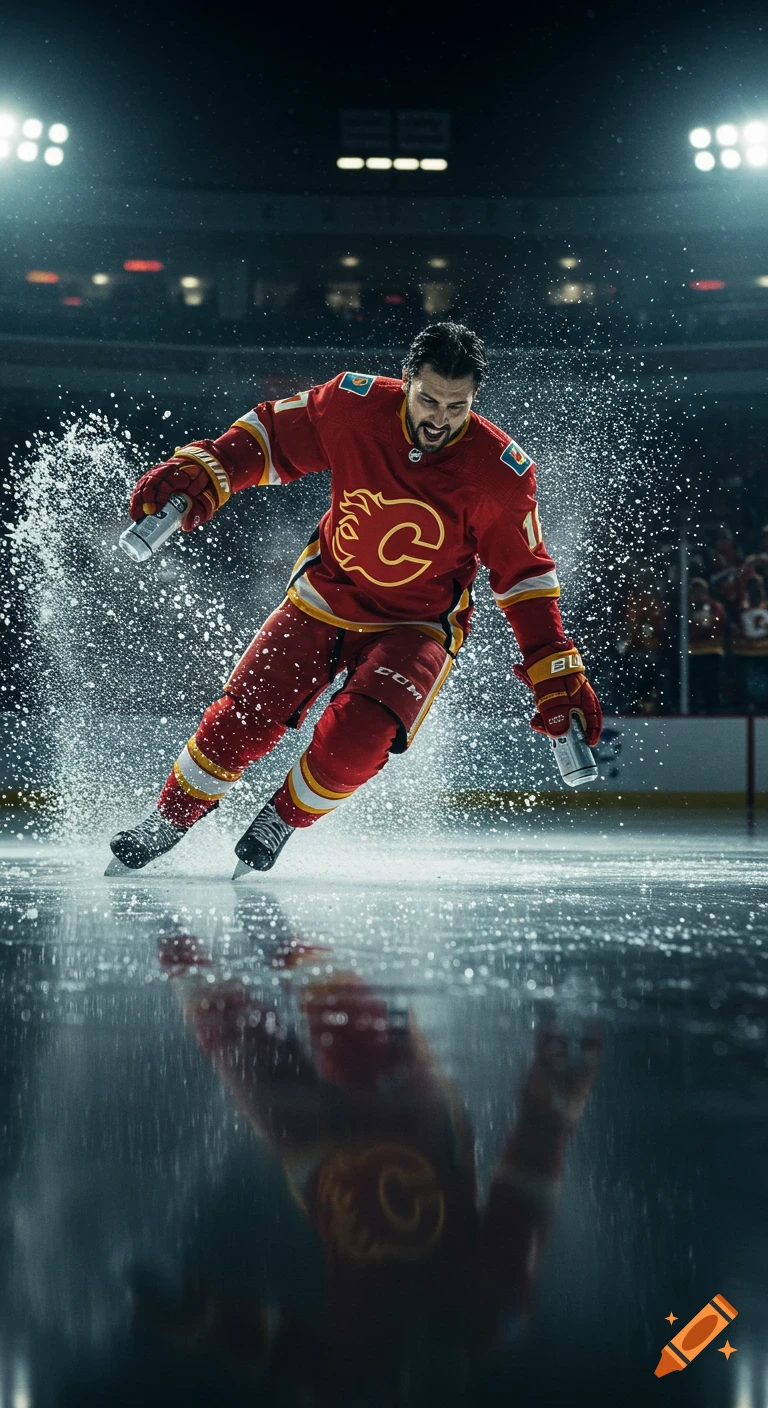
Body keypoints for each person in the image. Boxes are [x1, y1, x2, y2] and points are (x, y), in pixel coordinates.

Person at [108, 323, 601, 875]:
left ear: (474, 400)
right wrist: (208, 470)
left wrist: (552, 671)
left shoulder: (502, 475)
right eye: (429, 399)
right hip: (323, 599)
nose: (439, 418)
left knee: (359, 739)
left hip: (417, 627)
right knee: (239, 719)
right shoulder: (353, 404)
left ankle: (282, 818)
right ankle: (170, 819)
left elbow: (525, 580)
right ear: (407, 381)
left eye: (456, 407)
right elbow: (271, 437)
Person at [687, 577, 725, 714]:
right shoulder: (687, 608)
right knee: (695, 684)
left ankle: (713, 709)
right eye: (694, 592)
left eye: (700, 592)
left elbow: (713, 626)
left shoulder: (715, 606)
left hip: (712, 650)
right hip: (693, 652)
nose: (697, 595)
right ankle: (695, 708)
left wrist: (697, 625)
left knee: (711, 684)